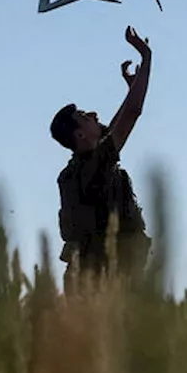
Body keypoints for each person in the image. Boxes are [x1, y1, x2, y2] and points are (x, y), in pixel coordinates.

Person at [50, 26, 152, 286]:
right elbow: (132, 113)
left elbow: (119, 123)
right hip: (110, 280)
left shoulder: (82, 166)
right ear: (80, 136)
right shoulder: (94, 165)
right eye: (85, 117)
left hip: (91, 277)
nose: (94, 114)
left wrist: (132, 88)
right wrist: (147, 58)